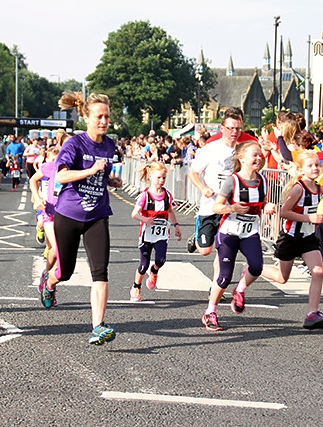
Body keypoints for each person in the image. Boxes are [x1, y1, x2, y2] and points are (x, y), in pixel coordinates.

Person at [39, 91, 122, 346]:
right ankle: (49, 282)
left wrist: (110, 180)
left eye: (107, 117)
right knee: (65, 272)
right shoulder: (74, 144)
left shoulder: (109, 145)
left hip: (97, 215)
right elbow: (61, 177)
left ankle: (97, 326)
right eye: (99, 116)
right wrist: (90, 170)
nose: (104, 121)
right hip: (69, 214)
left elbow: (102, 175)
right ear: (86, 117)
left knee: (100, 272)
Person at [202, 141, 276, 331]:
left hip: (250, 232)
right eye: (254, 155)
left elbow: (264, 202)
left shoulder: (263, 181)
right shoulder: (233, 181)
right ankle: (210, 312)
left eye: (260, 155)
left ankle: (240, 289)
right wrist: (232, 208)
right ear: (241, 158)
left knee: (257, 267)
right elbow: (216, 206)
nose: (259, 158)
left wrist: (267, 207)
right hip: (229, 233)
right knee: (224, 276)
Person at [261, 150, 323, 330]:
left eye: (317, 164)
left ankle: (312, 313)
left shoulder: (318, 188)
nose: (315, 168)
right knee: (282, 278)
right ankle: (254, 268)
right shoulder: (299, 188)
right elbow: (284, 212)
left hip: (307, 237)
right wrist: (310, 219)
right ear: (301, 169)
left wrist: (314, 219)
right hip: (290, 238)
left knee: (319, 271)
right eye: (310, 165)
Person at [187, 107, 246, 300]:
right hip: (209, 206)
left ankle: (216, 289)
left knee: (223, 251)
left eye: (237, 128)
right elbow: (193, 172)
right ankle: (196, 235)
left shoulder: (243, 151)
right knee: (205, 250)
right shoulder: (210, 149)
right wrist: (203, 188)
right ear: (222, 128)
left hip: (229, 209)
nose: (234, 132)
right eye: (230, 128)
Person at [130, 162, 182, 302]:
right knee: (143, 265)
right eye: (158, 177)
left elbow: (170, 211)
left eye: (164, 178)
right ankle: (136, 287)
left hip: (161, 235)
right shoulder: (145, 196)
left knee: (161, 260)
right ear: (151, 176)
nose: (161, 181)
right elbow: (134, 214)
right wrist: (145, 219)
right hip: (146, 235)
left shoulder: (168, 196)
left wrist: (176, 225)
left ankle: (154, 271)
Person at [31, 146, 61, 275]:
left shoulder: (68, 169)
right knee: (42, 224)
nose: (55, 161)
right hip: (46, 208)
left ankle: (49, 250)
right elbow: (33, 180)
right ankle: (48, 275)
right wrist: (37, 198)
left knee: (58, 245)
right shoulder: (47, 169)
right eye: (52, 159)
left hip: (63, 212)